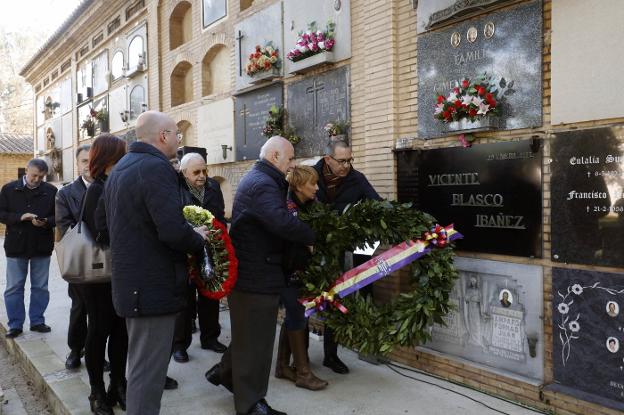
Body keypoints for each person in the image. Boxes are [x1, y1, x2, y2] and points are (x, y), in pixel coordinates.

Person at [104, 111, 208, 415]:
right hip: (151, 288)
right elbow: (172, 231)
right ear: (162, 136)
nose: (179, 139)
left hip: (134, 286)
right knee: (147, 374)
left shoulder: (124, 166)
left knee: (140, 368)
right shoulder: (154, 168)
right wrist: (198, 237)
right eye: (177, 133)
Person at [205, 136, 315, 415]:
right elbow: (279, 221)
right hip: (256, 274)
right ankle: (251, 404)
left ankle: (225, 373)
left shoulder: (261, 179)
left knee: (249, 337)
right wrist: (312, 235)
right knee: (257, 343)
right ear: (275, 156)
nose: (291, 165)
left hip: (256, 271)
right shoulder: (264, 184)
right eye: (289, 158)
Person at [313, 139, 381, 374]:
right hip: (315, 249)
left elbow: (377, 204)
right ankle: (295, 360)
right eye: (342, 161)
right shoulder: (310, 176)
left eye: (350, 160)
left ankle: (331, 356)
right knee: (307, 300)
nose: (347, 166)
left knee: (335, 298)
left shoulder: (356, 178)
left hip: (345, 250)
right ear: (328, 159)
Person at [77, 134, 128, 415]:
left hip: (117, 273)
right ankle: (97, 391)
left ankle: (118, 384)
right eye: (122, 154)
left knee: (121, 331)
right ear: (110, 159)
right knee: (99, 331)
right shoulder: (98, 188)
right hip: (98, 276)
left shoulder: (114, 184)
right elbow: (100, 233)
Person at [275, 165, 327, 391]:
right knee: (296, 316)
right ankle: (303, 373)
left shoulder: (311, 205)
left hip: (299, 270)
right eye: (312, 184)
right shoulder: (286, 207)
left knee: (296, 317)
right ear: (298, 186)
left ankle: (282, 367)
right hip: (284, 271)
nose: (316, 188)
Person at [172, 152, 227, 363]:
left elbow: (220, 216)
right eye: (196, 172)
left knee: (210, 297)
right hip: (185, 250)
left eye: (205, 170)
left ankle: (210, 337)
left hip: (210, 250)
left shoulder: (213, 187)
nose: (202, 175)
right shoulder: (176, 189)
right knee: (184, 301)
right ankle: (180, 344)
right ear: (184, 173)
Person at [0, 158, 57, 339]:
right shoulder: (9, 189)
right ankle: (15, 325)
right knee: (14, 287)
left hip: (42, 245)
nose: (37, 180)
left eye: (41, 177)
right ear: (26, 171)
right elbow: (1, 214)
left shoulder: (51, 191)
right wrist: (20, 217)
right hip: (16, 245)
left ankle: (37, 321)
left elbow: (59, 217)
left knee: (40, 287)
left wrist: (46, 222)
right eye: (34, 175)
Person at [55, 144, 91, 369]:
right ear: (77, 165)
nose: (89, 165)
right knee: (80, 307)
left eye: (92, 160)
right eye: (84, 161)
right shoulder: (66, 194)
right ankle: (75, 350)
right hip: (79, 259)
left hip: (106, 259)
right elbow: (64, 225)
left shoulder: (109, 187)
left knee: (102, 312)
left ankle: (96, 352)